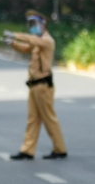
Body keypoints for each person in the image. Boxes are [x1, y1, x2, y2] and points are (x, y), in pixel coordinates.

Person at [4, 10, 67, 161]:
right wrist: (12, 43)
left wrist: (15, 35)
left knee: (49, 118)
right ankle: (27, 150)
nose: (32, 27)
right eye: (30, 24)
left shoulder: (46, 41)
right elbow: (26, 48)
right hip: (33, 85)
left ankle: (60, 149)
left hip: (43, 85)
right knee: (32, 119)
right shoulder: (37, 41)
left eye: (34, 24)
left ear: (43, 24)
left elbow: (31, 40)